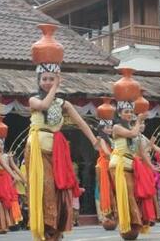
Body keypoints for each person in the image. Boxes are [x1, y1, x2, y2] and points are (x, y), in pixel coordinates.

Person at [26, 66, 99, 241]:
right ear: (38, 81)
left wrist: (94, 141)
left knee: (60, 188)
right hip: (38, 151)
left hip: (57, 151)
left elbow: (81, 123)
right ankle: (47, 226)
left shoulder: (64, 104)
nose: (47, 82)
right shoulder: (33, 100)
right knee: (45, 189)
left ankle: (57, 227)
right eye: (44, 79)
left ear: (58, 79)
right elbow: (44, 105)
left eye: (51, 79)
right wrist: (55, 88)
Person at [109, 100, 150, 239]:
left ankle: (132, 225)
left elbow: (142, 152)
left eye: (131, 112)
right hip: (119, 165)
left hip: (131, 166)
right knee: (127, 197)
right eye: (126, 112)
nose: (129, 114)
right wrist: (138, 120)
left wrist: (153, 168)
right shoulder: (116, 127)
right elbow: (132, 134)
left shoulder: (133, 130)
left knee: (134, 195)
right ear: (119, 114)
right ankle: (130, 225)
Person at [95, 120, 117, 228]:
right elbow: (106, 152)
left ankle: (114, 213)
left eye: (111, 127)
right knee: (107, 189)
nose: (110, 129)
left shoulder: (111, 139)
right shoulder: (102, 139)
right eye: (107, 127)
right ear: (102, 129)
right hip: (105, 164)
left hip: (112, 163)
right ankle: (108, 215)